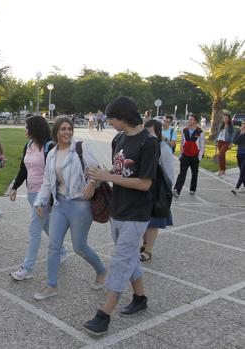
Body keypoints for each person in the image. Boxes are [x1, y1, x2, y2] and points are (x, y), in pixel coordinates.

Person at [83, 96, 160, 336]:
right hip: (117, 210)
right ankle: (140, 298)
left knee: (119, 261)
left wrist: (109, 177)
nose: (109, 123)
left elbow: (145, 183)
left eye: (111, 118)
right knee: (128, 258)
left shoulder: (149, 143)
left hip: (136, 214)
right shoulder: (118, 138)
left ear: (123, 116)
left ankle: (103, 315)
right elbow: (117, 172)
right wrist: (97, 176)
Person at [32, 116, 106, 300]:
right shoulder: (52, 153)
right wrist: (40, 202)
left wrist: (92, 183)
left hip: (80, 205)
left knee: (79, 247)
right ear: (56, 132)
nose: (67, 132)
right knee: (53, 246)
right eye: (63, 129)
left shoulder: (81, 148)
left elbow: (96, 171)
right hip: (60, 205)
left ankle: (102, 272)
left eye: (69, 129)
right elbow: (47, 183)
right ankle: (52, 285)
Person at [9, 115, 67, 281]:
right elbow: (23, 169)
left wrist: (47, 200)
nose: (24, 129)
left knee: (34, 230)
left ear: (34, 128)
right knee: (46, 225)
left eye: (27, 126)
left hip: (44, 195)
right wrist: (14, 187)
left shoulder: (49, 147)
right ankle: (62, 251)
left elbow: (56, 175)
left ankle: (27, 268)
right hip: (31, 193)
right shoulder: (28, 145)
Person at [140, 119, 175, 262]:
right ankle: (144, 244)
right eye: (145, 131)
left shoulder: (164, 148)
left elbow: (169, 173)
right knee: (143, 221)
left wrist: (166, 193)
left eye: (150, 132)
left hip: (157, 191)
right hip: (144, 189)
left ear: (158, 132)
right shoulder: (144, 146)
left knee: (154, 222)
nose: (147, 134)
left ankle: (148, 249)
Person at [173, 114, 205, 197]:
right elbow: (182, 143)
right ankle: (177, 190)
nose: (189, 121)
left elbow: (202, 146)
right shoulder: (184, 130)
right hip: (185, 155)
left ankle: (192, 189)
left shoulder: (200, 132)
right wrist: (181, 154)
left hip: (195, 156)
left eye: (191, 119)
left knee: (194, 173)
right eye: (188, 119)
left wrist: (199, 157)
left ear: (195, 121)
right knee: (182, 173)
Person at [215, 112, 235, 176]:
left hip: (226, 142)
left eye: (226, 118)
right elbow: (218, 134)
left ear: (229, 119)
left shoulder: (231, 126)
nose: (225, 119)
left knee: (220, 154)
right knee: (222, 156)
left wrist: (231, 143)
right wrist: (216, 141)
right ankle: (223, 170)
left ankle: (221, 170)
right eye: (224, 118)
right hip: (220, 141)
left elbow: (232, 135)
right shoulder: (220, 125)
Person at [231, 126, 245, 195]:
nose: (243, 126)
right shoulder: (239, 132)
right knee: (242, 173)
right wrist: (241, 134)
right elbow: (235, 142)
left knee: (242, 172)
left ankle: (236, 188)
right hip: (239, 154)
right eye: (243, 124)